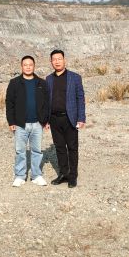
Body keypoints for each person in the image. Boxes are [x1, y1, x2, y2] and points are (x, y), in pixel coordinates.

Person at [5, 55, 50, 187]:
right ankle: (20, 176)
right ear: (21, 66)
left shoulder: (41, 83)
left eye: (30, 65)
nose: (28, 67)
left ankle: (36, 176)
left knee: (37, 151)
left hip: (37, 123)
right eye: (25, 65)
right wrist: (11, 122)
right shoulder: (14, 83)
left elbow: (47, 103)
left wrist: (46, 121)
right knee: (20, 151)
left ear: (34, 66)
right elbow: (9, 103)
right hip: (20, 124)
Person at [45, 49, 85, 188]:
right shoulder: (49, 79)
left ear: (64, 60)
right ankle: (63, 174)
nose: (57, 61)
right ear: (51, 62)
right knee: (60, 148)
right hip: (54, 119)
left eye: (59, 59)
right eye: (54, 59)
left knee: (72, 148)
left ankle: (73, 176)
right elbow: (46, 100)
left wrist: (81, 118)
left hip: (70, 118)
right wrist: (46, 120)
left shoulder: (75, 77)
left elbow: (80, 98)